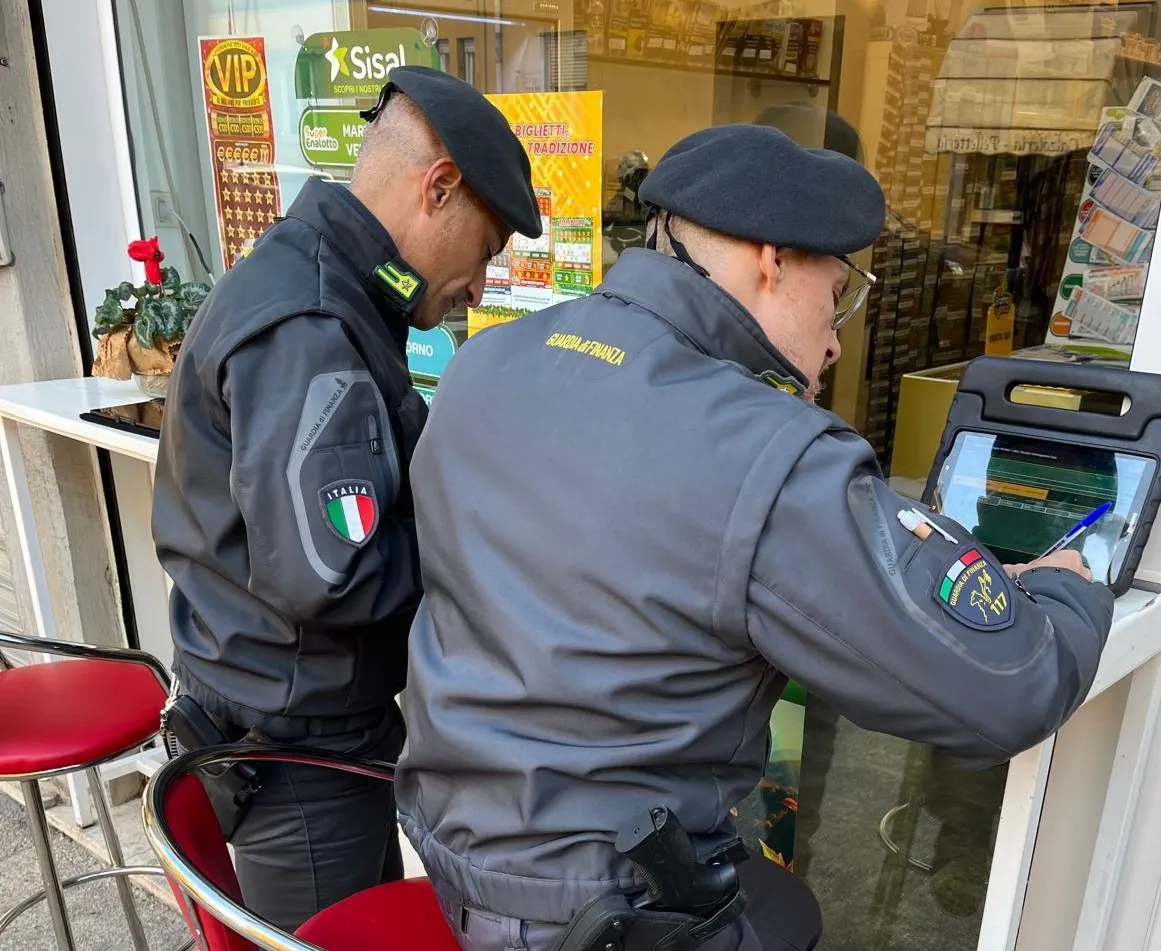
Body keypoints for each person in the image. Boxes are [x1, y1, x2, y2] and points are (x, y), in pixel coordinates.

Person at [394, 123, 1115, 951]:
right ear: (772, 262)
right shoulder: (766, 453)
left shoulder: (486, 363)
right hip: (610, 913)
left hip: (454, 859)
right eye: (837, 292)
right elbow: (1009, 682)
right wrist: (1069, 584)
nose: (839, 335)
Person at [151, 66, 540, 931]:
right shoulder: (314, 323)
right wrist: (487, 552)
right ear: (438, 188)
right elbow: (334, 572)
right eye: (485, 250)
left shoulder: (320, 279)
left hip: (275, 711)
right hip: (300, 757)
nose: (480, 285)